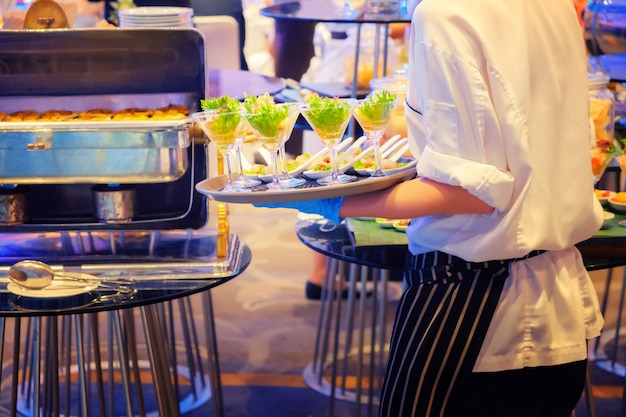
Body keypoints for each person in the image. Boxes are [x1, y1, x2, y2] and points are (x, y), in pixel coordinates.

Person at [254, 0, 605, 415]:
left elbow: (472, 191)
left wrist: (329, 200)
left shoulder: (444, 14)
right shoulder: (554, 5)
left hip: (473, 304)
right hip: (559, 298)